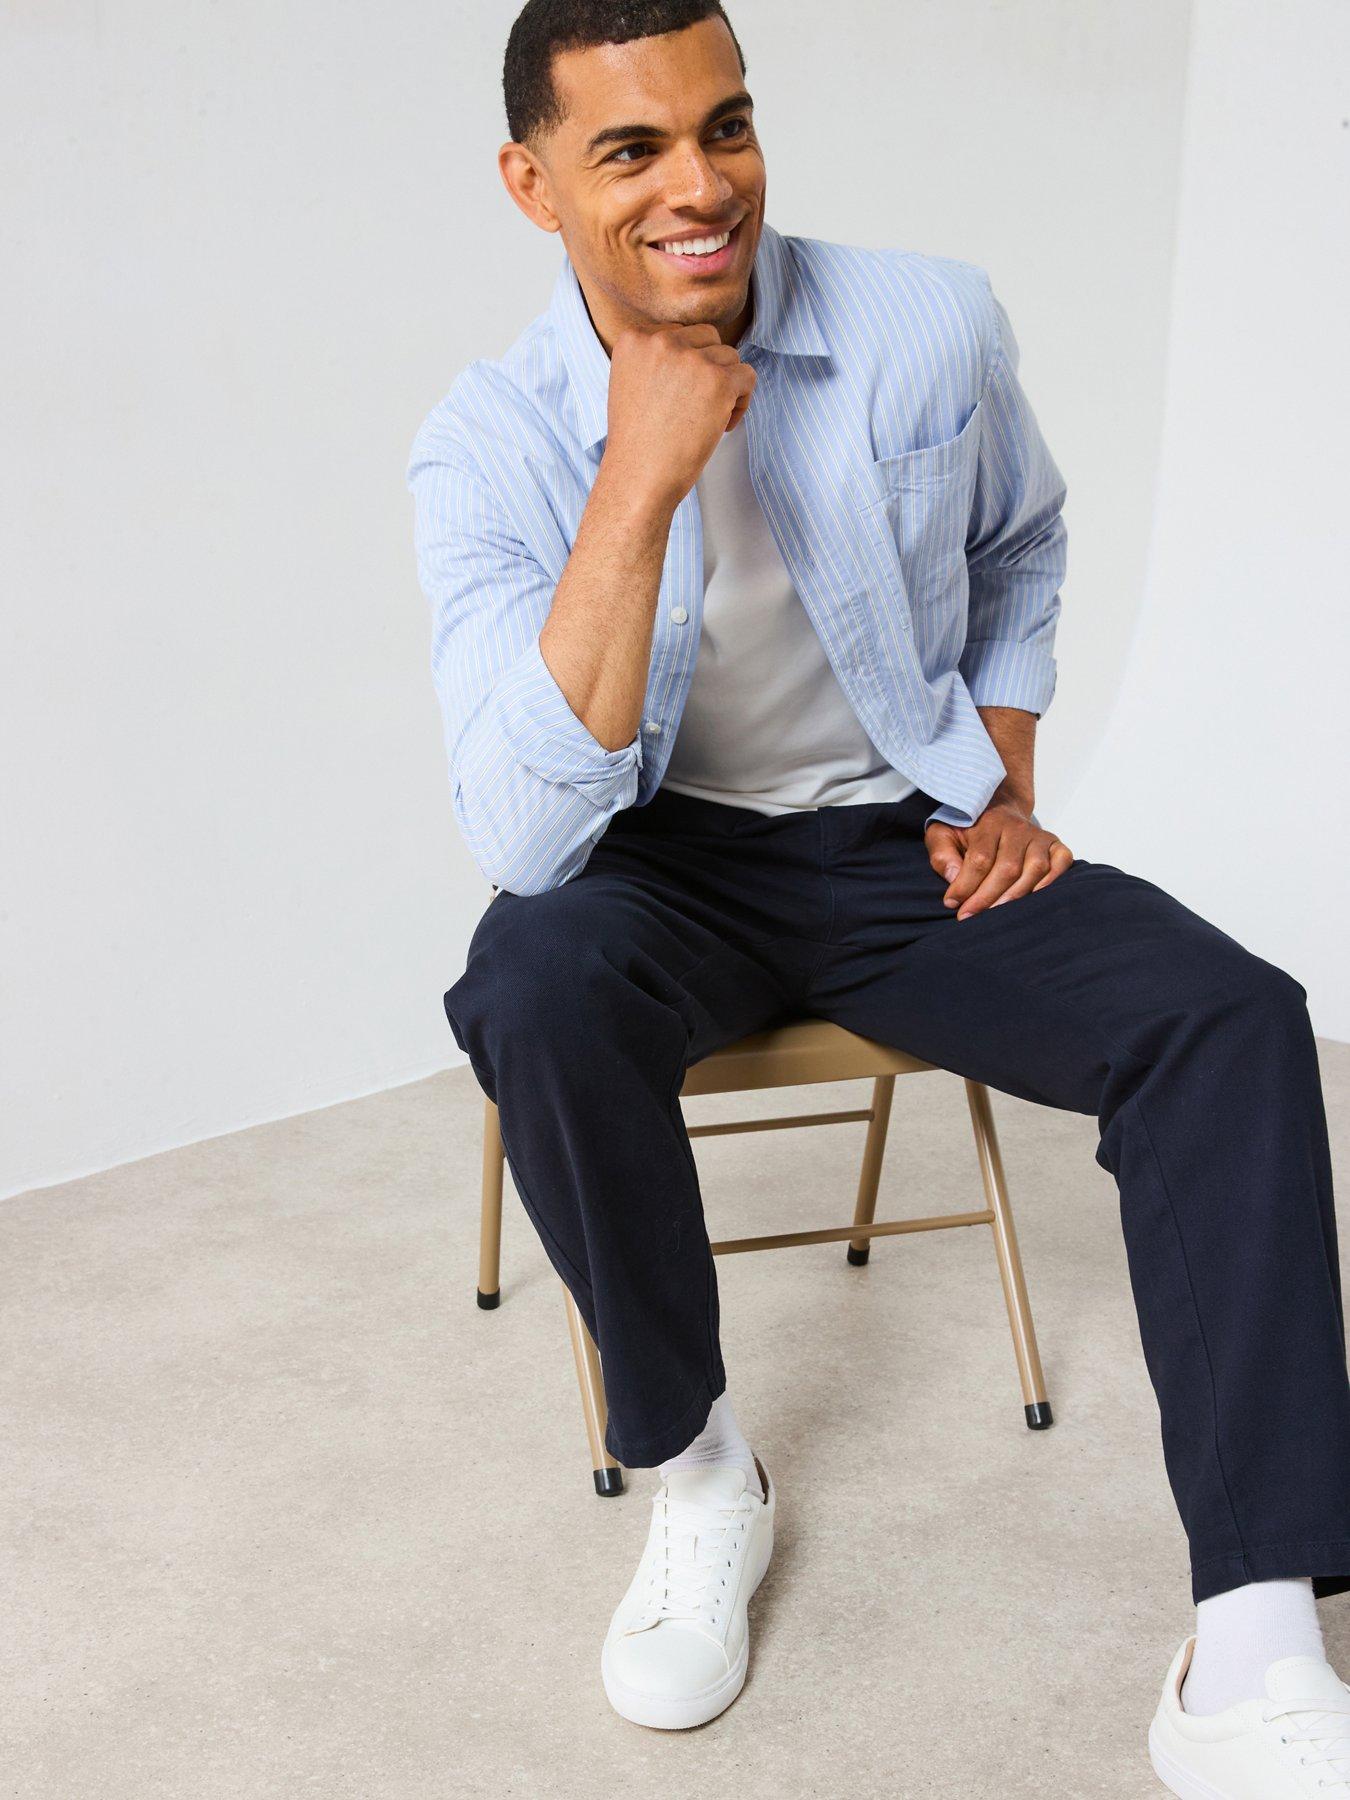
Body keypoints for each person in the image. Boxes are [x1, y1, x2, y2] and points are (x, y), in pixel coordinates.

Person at [405, 2, 1350, 1787]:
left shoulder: (928, 319)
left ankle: (1253, 1626)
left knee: (1225, 1019)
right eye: (631, 151)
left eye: (725, 125)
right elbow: (523, 839)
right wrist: (641, 471)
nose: (701, 187)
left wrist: (998, 765)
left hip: (896, 846)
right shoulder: (484, 443)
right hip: (651, 868)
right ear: (531, 186)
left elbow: (1020, 542)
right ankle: (700, 1475)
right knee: (529, 977)